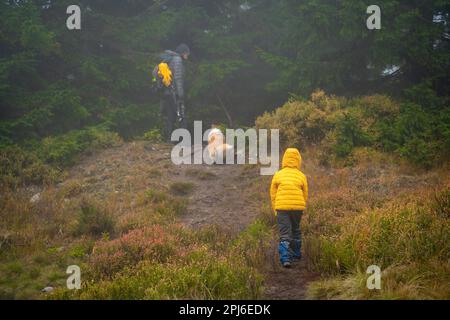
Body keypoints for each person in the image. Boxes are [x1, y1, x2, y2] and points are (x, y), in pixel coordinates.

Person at [270, 148, 308, 268]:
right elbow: (305, 194)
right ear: (298, 160)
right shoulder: (301, 176)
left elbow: (273, 194)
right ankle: (296, 254)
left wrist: (275, 209)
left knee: (285, 233)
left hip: (282, 207)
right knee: (296, 230)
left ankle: (285, 258)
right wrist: (301, 206)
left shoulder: (278, 174)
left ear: (284, 159)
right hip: (298, 208)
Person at [157, 44, 190, 141]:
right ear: (183, 53)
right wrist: (180, 94)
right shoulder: (177, 60)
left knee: (170, 115)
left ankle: (169, 140)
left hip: (166, 92)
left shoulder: (169, 59)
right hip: (174, 92)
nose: (188, 55)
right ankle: (184, 140)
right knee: (182, 115)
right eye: (187, 53)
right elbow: (178, 78)